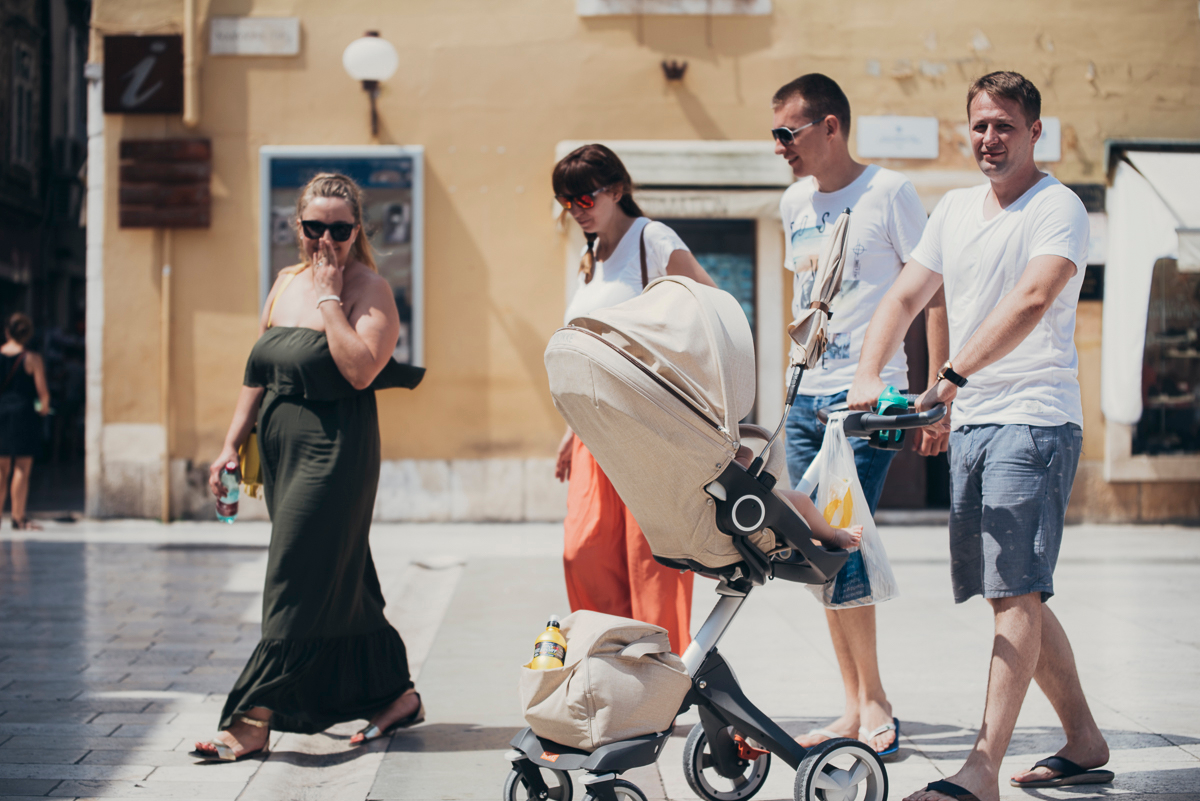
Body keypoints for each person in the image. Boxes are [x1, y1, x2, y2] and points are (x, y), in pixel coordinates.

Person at [848, 72, 1112, 801]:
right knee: (1013, 590)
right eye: (980, 125)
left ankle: (982, 768)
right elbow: (907, 292)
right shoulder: (956, 209)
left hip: (1034, 416)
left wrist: (950, 377)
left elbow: (1033, 297)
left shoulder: (1058, 207)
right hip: (975, 420)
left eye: (1004, 126)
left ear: (1034, 133)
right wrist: (870, 371)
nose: (989, 138)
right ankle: (1085, 739)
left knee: (1015, 589)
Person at [193, 173, 425, 761]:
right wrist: (230, 444)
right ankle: (395, 695)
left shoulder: (371, 289)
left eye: (339, 230)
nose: (326, 240)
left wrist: (329, 298)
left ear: (357, 231)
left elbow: (360, 371)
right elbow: (258, 370)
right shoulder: (283, 281)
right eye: (314, 227)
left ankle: (254, 716)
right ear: (298, 227)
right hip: (281, 451)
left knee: (294, 572)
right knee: (341, 574)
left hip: (335, 452)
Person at [771, 73, 943, 758]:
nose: (779, 145)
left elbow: (932, 292)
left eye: (788, 132)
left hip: (867, 405)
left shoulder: (889, 192)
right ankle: (851, 705)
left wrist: (935, 393)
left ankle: (874, 703)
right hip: (806, 398)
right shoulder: (793, 202)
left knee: (842, 545)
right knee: (816, 553)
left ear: (831, 126)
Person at [553, 143, 717, 655]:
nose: (576, 209)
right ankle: (610, 662)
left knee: (650, 561)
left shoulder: (652, 239)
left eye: (584, 197)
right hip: (594, 430)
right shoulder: (591, 257)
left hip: (646, 426)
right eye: (565, 201)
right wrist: (571, 430)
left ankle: (660, 670)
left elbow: (711, 311)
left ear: (617, 189)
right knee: (584, 552)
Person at [0, 313, 50, 530]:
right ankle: (18, 517)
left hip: (1, 414)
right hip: (23, 415)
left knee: (1, 468)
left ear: (7, 332)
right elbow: (43, 394)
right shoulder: (32, 359)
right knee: (21, 466)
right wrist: (44, 409)